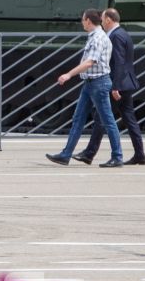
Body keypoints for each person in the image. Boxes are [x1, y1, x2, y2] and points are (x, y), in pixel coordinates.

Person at [46, 9, 122, 168]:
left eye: (83, 20)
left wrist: (68, 74)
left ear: (88, 21)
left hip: (98, 83)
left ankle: (117, 156)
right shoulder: (97, 37)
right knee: (78, 118)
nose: (82, 23)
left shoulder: (98, 38)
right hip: (90, 83)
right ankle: (65, 155)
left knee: (108, 121)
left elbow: (90, 62)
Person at [78, 7, 145, 166]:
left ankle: (91, 154)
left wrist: (115, 86)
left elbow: (119, 63)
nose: (101, 22)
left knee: (102, 118)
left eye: (102, 19)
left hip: (119, 84)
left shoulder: (115, 37)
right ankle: (139, 154)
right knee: (129, 119)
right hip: (127, 82)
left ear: (108, 20)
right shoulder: (123, 34)